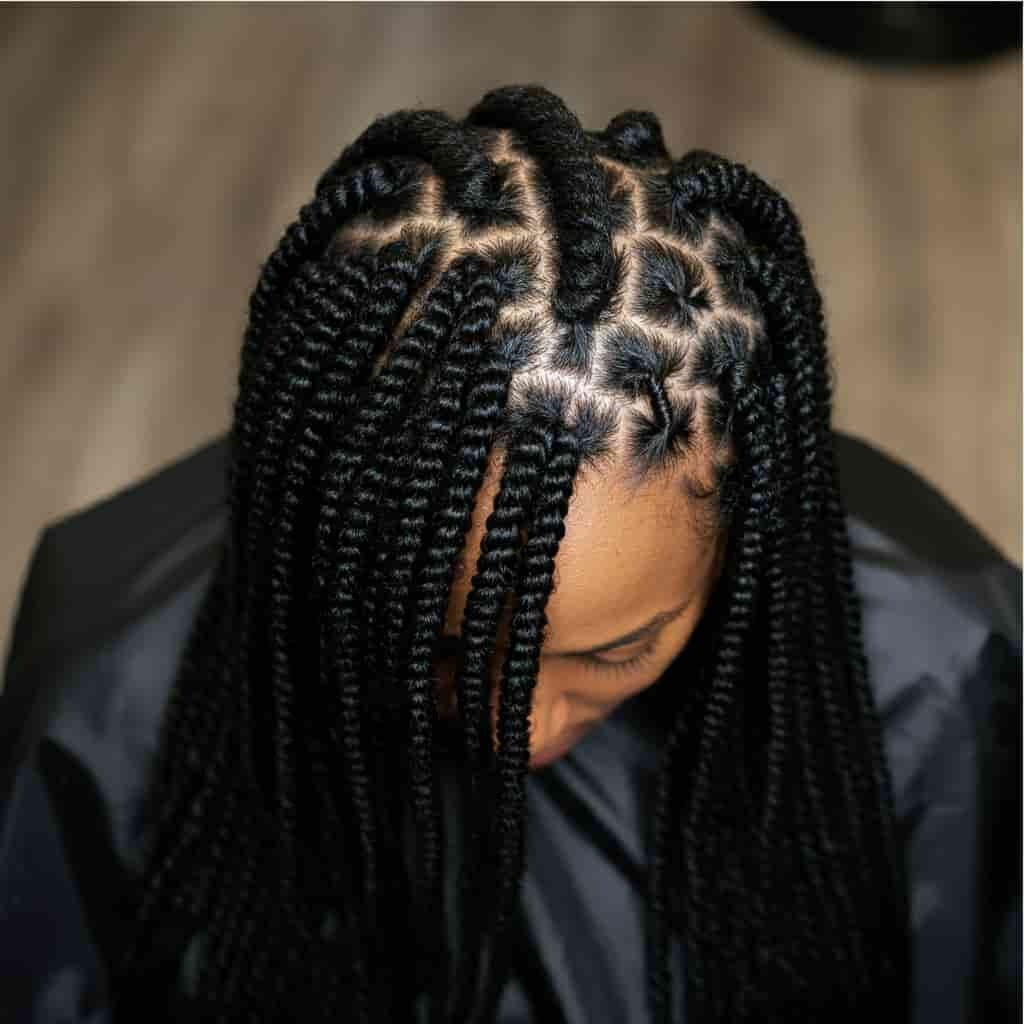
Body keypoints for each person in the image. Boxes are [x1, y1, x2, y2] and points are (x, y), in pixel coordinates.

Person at [0, 84, 1019, 1024]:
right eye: (447, 650)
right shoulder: (112, 694)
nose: (518, 729)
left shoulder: (936, 667)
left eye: (617, 650)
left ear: (745, 542)